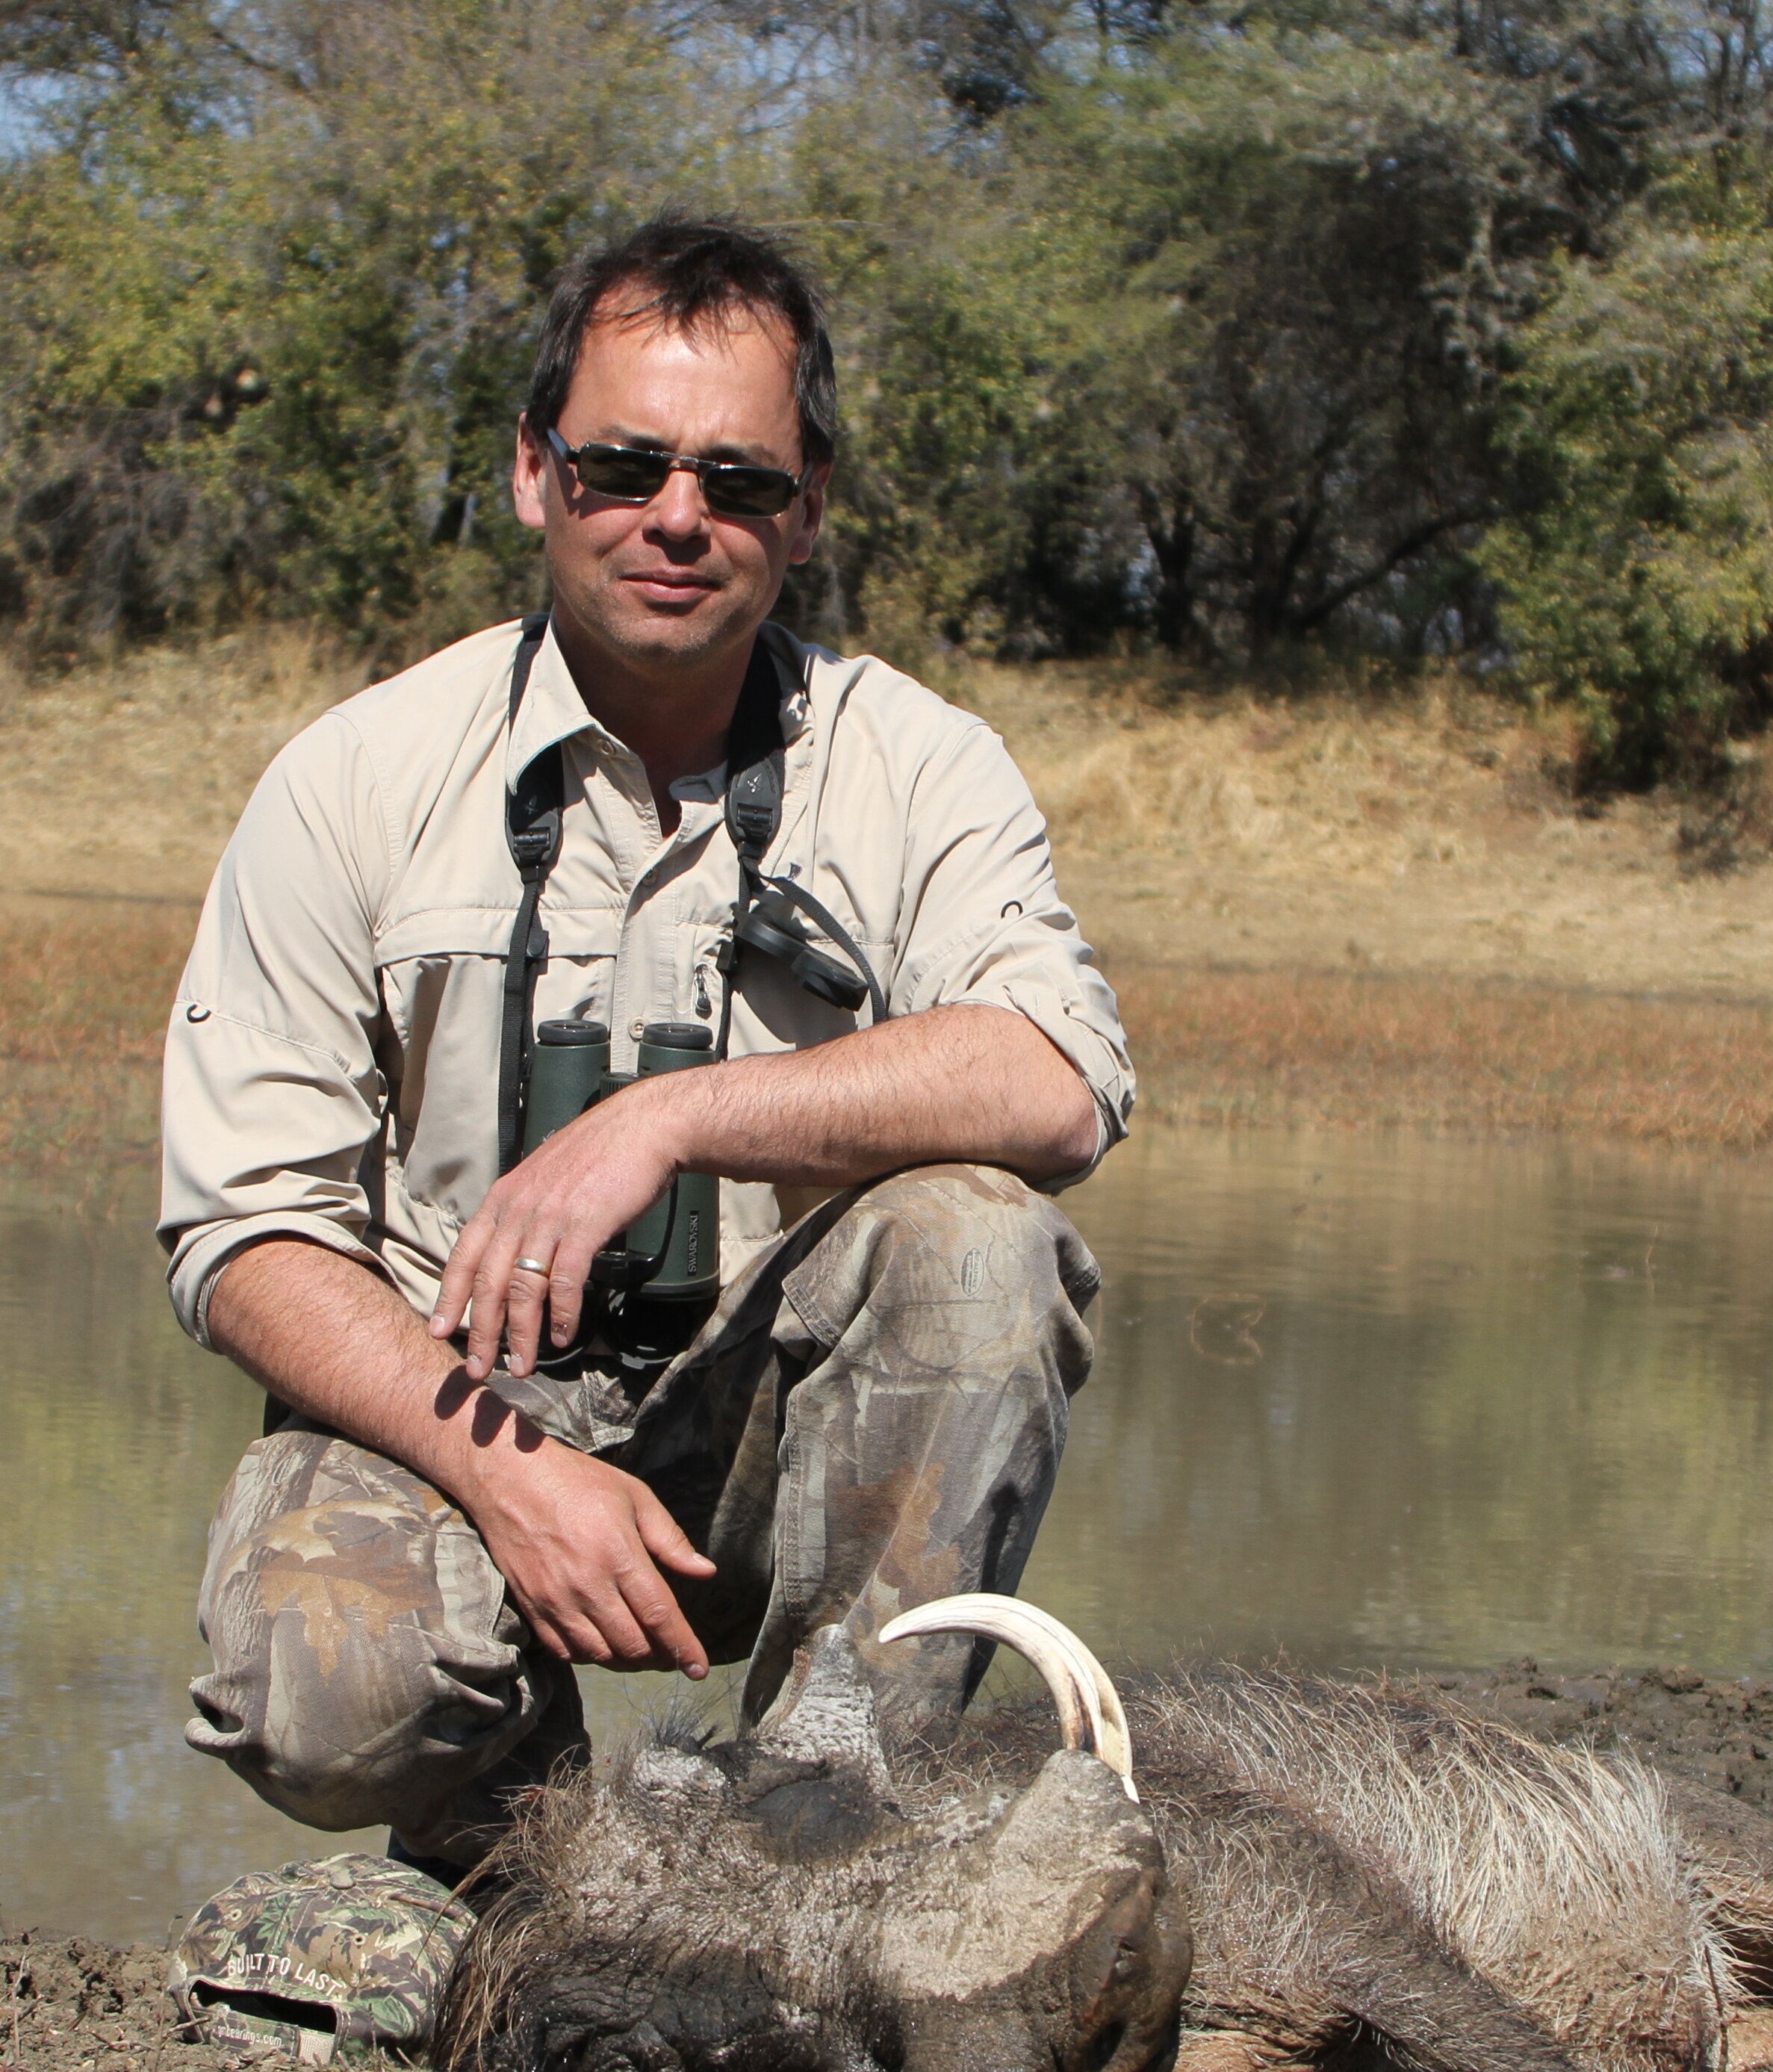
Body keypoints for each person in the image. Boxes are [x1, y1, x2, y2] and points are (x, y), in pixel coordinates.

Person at [158, 216, 1130, 1878]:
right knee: (326, 1692)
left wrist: (672, 1118)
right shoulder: (354, 773)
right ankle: (507, 1851)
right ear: (534, 473)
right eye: (623, 465)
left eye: (740, 481)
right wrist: (517, 1473)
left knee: (986, 1242)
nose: (680, 518)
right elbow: (244, 1238)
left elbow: (1056, 1081)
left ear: (809, 507)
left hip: (766, 1430)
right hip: (442, 1413)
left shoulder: (918, 763)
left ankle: (814, 1843)